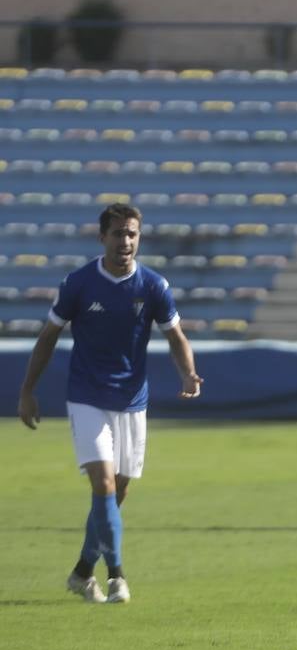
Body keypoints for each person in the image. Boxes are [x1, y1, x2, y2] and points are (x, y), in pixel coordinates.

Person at [17, 203, 203, 604]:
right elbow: (48, 336)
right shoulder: (80, 283)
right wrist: (27, 390)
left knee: (115, 496)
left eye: (132, 234)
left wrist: (188, 372)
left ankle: (82, 572)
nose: (126, 241)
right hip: (87, 397)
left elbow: (175, 336)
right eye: (118, 234)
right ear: (102, 237)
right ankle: (117, 575)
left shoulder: (153, 285)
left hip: (133, 401)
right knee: (102, 486)